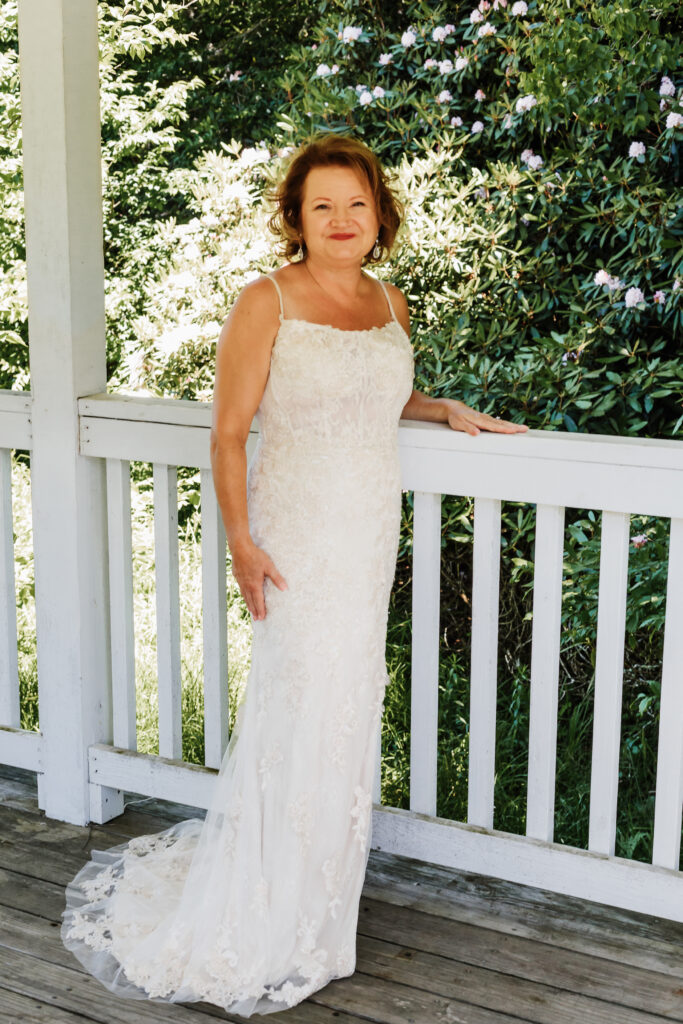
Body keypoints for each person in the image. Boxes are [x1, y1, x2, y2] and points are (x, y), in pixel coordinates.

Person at [60, 132, 527, 1016]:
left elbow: (377, 399)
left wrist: (441, 408)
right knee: (300, 703)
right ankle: (264, 912)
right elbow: (229, 432)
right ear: (297, 218)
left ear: (378, 215)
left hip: (365, 538)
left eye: (356, 204)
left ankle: (318, 911)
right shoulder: (264, 300)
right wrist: (242, 541)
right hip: (298, 538)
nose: (341, 220)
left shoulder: (388, 301)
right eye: (323, 206)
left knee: (347, 704)